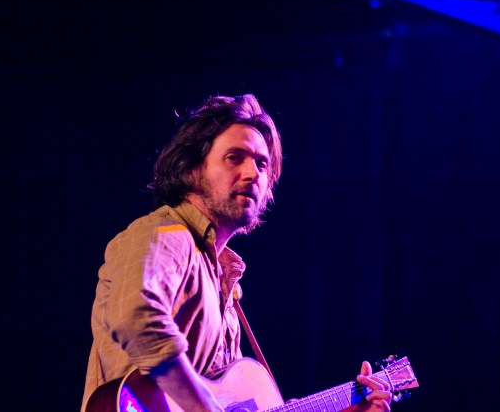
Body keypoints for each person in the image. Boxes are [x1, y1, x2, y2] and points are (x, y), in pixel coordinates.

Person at [81, 94, 392, 411]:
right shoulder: (165, 235)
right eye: (234, 157)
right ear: (191, 169)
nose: (253, 173)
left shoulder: (224, 280)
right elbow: (136, 319)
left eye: (261, 164)